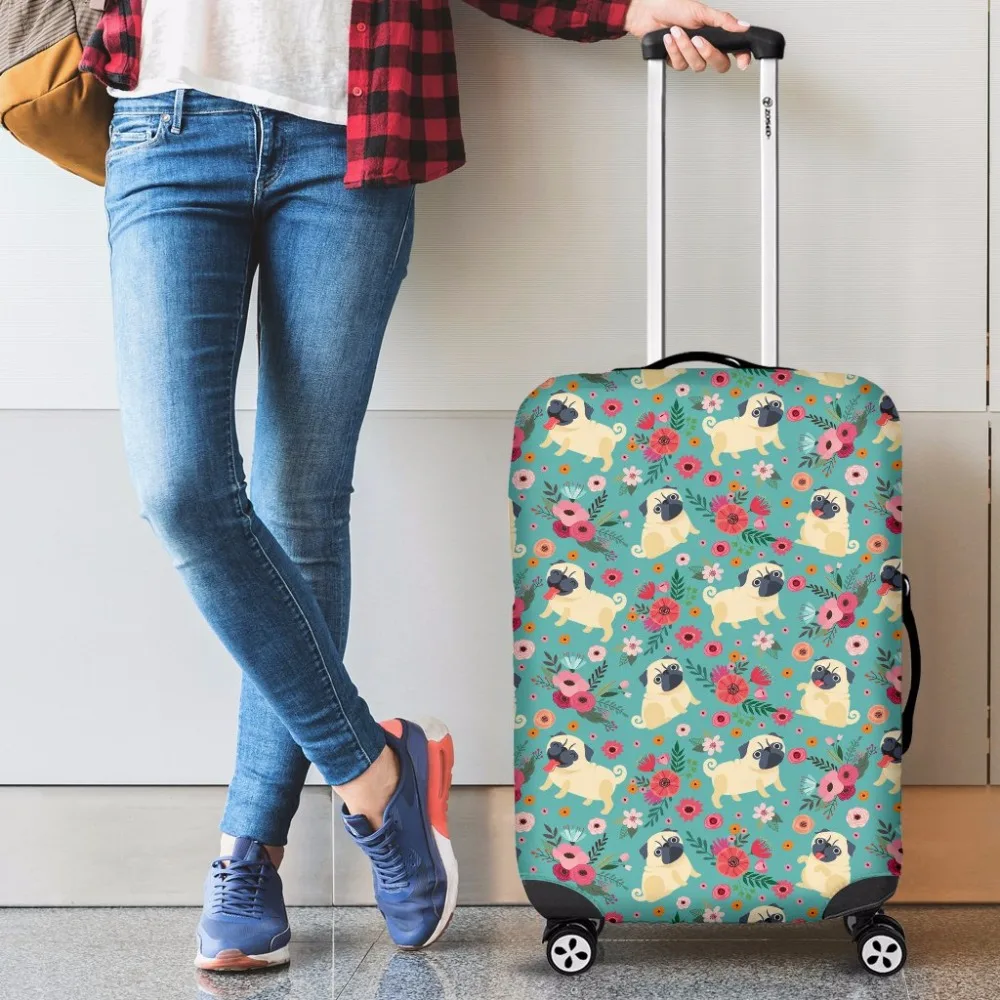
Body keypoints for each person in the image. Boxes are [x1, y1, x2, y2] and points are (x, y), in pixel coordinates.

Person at [80, 0, 750, 974]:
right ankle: (375, 770)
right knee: (181, 489)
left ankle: (249, 852)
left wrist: (623, 8)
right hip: (167, 121)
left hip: (349, 130)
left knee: (302, 501)